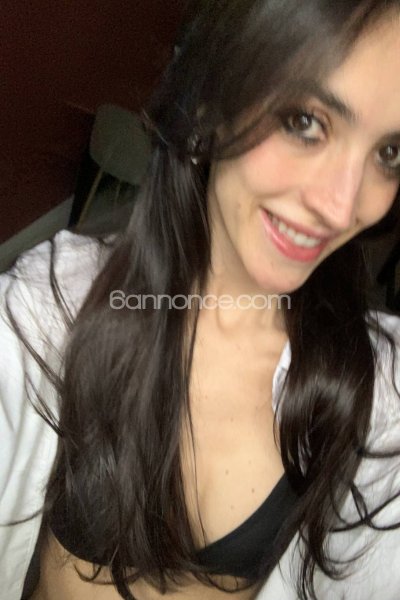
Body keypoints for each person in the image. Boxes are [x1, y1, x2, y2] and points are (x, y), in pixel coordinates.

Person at [1, 1, 400, 599]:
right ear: (209, 106)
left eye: (389, 153)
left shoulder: (379, 394)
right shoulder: (49, 311)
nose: (343, 207)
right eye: (304, 121)